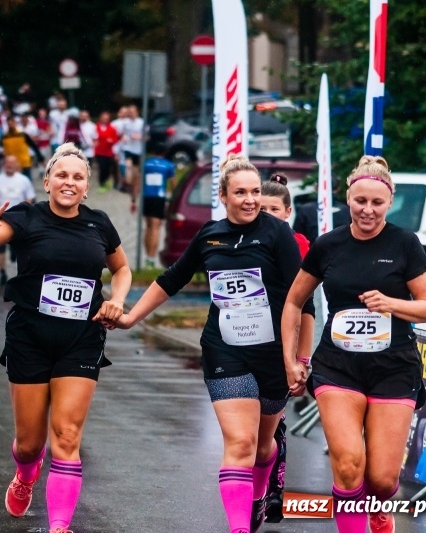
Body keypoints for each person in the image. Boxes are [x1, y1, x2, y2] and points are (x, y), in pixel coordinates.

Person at [108, 155, 312, 533]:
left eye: (254, 191)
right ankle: (237, 528)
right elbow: (171, 279)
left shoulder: (277, 234)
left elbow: (303, 301)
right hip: (225, 349)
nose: (250, 199)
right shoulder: (209, 235)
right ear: (222, 195)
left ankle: (257, 496)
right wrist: (131, 317)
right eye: (240, 192)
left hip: (272, 354)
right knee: (239, 442)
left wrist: (300, 358)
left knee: (263, 446)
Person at [0, 142, 131, 533]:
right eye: (62, 176)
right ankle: (25, 473)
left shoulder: (99, 223)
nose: (69, 182)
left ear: (86, 187)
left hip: (82, 337)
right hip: (30, 336)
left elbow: (121, 269)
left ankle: (59, 526)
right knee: (30, 444)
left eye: (78, 177)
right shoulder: (26, 217)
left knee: (67, 436)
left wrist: (117, 300)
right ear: (47, 181)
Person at [281, 156, 426, 533]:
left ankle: (379, 512)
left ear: (390, 201)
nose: (367, 210)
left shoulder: (405, 244)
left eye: (377, 203)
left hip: (394, 368)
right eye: (360, 201)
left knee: (382, 480)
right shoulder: (328, 244)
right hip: (338, 367)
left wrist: (392, 303)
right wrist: (291, 359)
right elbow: (293, 301)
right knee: (349, 465)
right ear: (348, 199)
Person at [258, 173, 315, 523]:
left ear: (288, 211)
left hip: (285, 344)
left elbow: (305, 309)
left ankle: (274, 491)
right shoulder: (243, 239)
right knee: (249, 429)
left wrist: (301, 358)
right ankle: (253, 489)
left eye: (274, 209)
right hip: (246, 343)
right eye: (262, 208)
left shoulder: (298, 245)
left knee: (274, 425)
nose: (267, 214)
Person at [0, 155, 36, 285]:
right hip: (1, 218)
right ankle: (2, 273)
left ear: (17, 165)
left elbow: (30, 198)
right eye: (7, 163)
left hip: (19, 219)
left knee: (20, 246)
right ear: (3, 164)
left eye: (13, 163)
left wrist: (25, 210)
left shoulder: (24, 180)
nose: (10, 165)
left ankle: (17, 261)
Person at [140, 156, 175, 268]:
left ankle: (147, 256)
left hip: (146, 197)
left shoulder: (146, 163)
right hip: (159, 198)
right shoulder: (168, 165)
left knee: (148, 226)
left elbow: (139, 178)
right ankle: (151, 258)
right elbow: (173, 184)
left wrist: (134, 198)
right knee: (155, 227)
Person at [1, 116, 43, 180]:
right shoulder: (5, 137)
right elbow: (3, 150)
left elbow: (33, 146)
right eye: (9, 124)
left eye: (11, 124)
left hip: (24, 163)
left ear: (15, 123)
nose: (10, 126)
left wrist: (40, 158)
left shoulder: (22, 135)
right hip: (13, 165)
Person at [93, 111, 119, 192]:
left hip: (108, 152)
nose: (105, 120)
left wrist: (112, 141)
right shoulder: (95, 127)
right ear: (100, 118)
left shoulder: (112, 128)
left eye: (107, 119)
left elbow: (116, 139)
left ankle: (106, 181)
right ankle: (101, 184)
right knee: (102, 168)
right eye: (103, 118)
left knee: (108, 169)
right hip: (99, 151)